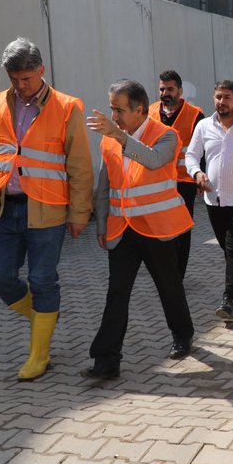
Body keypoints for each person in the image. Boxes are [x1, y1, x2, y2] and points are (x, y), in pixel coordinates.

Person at [0, 37, 93, 382]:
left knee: (42, 280)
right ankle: (43, 317)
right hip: (4, 209)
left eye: (27, 79)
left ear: (41, 71)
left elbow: (80, 165)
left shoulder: (66, 108)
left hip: (47, 210)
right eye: (14, 79)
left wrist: (80, 214)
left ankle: (39, 355)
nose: (21, 87)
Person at [85, 80, 195, 379]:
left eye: (119, 110)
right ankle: (106, 359)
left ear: (140, 109)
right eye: (111, 109)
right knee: (117, 293)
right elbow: (104, 183)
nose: (114, 116)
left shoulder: (166, 135)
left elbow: (153, 160)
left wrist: (118, 136)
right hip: (122, 229)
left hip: (156, 228)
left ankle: (182, 334)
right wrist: (102, 222)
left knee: (169, 286)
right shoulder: (110, 139)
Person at [186, 81, 233, 321]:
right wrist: (196, 173)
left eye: (226, 97)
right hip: (213, 199)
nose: (221, 102)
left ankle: (228, 298)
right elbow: (191, 155)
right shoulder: (204, 126)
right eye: (218, 97)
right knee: (228, 249)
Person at [149, 71, 204, 278]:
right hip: (157, 180)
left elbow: (202, 148)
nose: (165, 93)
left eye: (170, 89)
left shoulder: (195, 115)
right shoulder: (150, 111)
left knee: (182, 229)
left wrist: (199, 177)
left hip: (184, 182)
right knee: (160, 228)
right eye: (162, 89)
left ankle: (177, 274)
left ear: (180, 91)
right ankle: (165, 271)